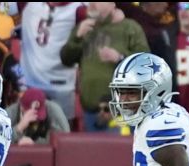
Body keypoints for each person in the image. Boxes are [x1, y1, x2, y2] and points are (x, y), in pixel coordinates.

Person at [61, 2, 149, 132]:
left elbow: (146, 64)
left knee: (118, 152)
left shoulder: (129, 27)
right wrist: (77, 37)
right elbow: (66, 59)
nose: (92, 4)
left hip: (121, 113)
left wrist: (120, 58)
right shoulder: (85, 28)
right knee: (92, 152)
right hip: (90, 112)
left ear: (112, 4)